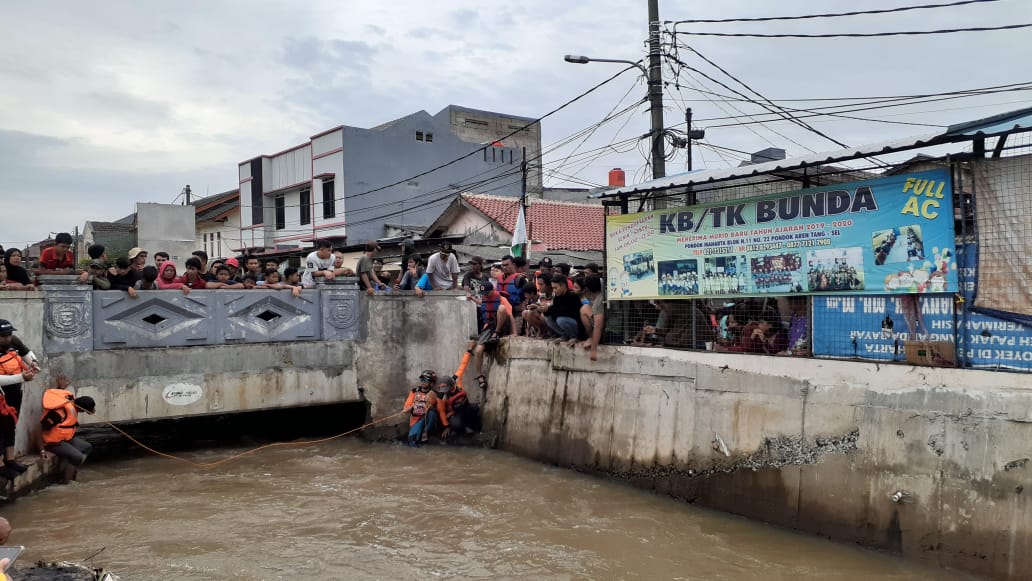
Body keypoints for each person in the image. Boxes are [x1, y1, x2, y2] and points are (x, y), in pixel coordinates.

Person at [40, 375, 96, 484]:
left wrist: (60, 387)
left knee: (87, 447)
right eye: (84, 411)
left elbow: (59, 396)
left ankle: (72, 470)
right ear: (80, 408)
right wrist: (42, 449)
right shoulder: (60, 413)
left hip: (66, 439)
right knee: (78, 457)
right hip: (53, 443)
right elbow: (39, 429)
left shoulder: (72, 404)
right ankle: (67, 483)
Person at [0, 320, 38, 479]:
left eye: (9, 334)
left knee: (11, 425)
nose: (8, 338)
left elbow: (26, 353)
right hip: (1, 392)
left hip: (14, 392)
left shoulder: (13, 341)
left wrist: (34, 363)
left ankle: (10, 460)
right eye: (4, 336)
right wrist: (21, 377)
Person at [468, 282, 515, 391]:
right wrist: (472, 299)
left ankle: (496, 333)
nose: (485, 294)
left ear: (492, 290)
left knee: (501, 308)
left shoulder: (501, 298)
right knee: (478, 350)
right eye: (483, 293)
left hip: (501, 325)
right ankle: (480, 376)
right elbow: (483, 303)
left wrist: (514, 332)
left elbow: (510, 315)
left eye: (486, 292)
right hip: (488, 327)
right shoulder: (485, 297)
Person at [402, 370, 448, 447]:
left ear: (431, 383)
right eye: (421, 380)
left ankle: (425, 433)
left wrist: (446, 426)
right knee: (412, 441)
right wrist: (407, 408)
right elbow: (407, 404)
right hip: (416, 421)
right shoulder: (414, 391)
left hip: (430, 421)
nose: (422, 382)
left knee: (432, 411)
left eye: (425, 380)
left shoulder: (435, 394)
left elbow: (441, 411)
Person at [544, 276, 584, 342]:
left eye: (555, 288)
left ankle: (574, 336)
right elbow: (555, 309)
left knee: (561, 320)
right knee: (548, 317)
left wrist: (549, 309)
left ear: (563, 286)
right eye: (553, 288)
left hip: (577, 325)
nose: (554, 290)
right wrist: (544, 310)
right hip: (565, 321)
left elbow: (567, 312)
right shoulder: (557, 297)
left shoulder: (573, 296)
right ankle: (564, 335)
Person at [578, 275, 605, 361]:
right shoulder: (605, 294)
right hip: (613, 330)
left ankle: (591, 337)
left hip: (607, 333)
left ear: (587, 289)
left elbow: (598, 326)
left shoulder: (599, 301)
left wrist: (593, 350)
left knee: (584, 309)